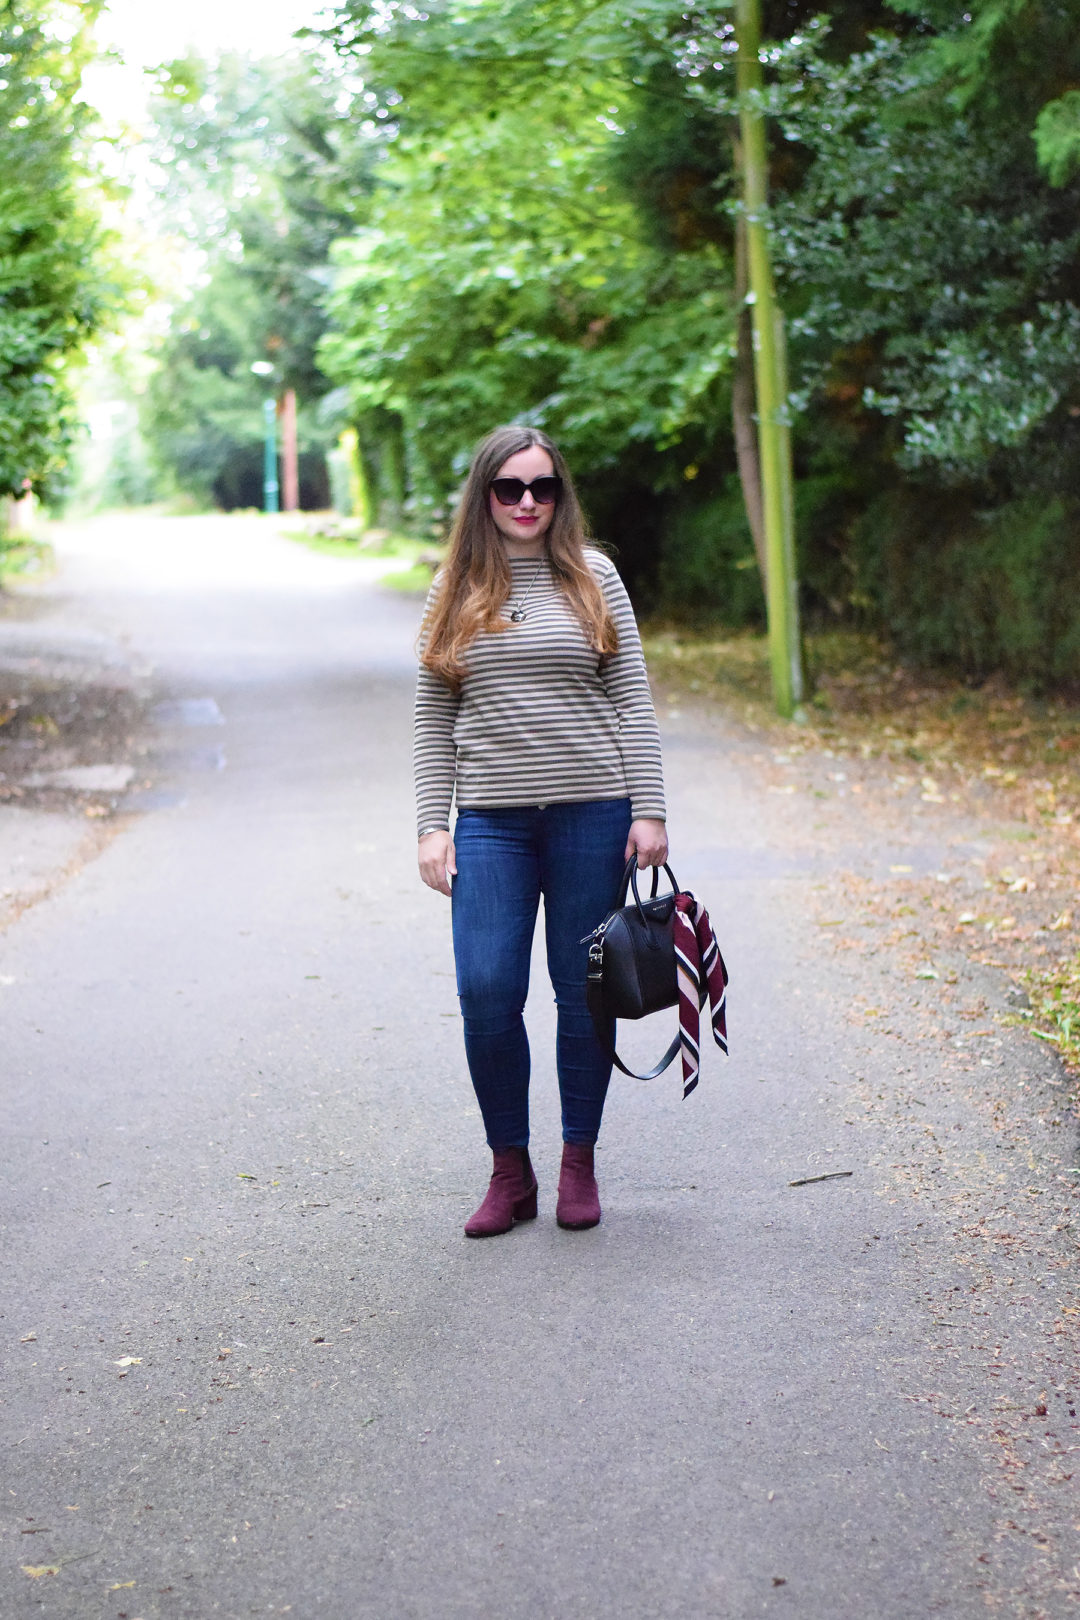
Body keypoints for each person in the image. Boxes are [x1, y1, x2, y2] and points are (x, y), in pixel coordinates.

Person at [414, 425, 667, 1237]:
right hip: (491, 823)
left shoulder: (594, 576)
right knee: (486, 991)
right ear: (484, 494)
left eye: (543, 488)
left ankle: (577, 1164)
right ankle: (509, 1171)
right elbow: (432, 711)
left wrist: (649, 809)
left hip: (593, 815)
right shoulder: (455, 583)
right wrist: (430, 824)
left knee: (581, 994)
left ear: (560, 496)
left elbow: (631, 696)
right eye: (510, 488)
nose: (527, 502)